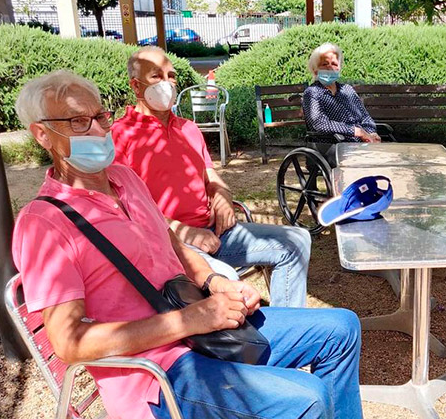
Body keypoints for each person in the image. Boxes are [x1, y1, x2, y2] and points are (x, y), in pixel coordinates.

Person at [12, 71, 408, 419]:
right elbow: (69, 344)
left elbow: (173, 245)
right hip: (153, 372)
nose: (100, 130)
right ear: (43, 134)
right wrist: (191, 321)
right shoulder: (43, 224)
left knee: (341, 327)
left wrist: (214, 283)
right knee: (308, 397)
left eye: (100, 115)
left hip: (200, 327)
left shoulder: (122, 178)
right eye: (79, 122)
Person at [113, 46, 312, 308]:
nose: (167, 83)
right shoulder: (120, 136)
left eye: (171, 76)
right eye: (155, 76)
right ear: (136, 87)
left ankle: (291, 329)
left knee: (297, 240)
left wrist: (221, 196)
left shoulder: (189, 128)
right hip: (168, 244)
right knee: (227, 280)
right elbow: (125, 209)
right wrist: (183, 231)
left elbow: (211, 175)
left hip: (216, 232)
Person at [302, 43, 381, 143]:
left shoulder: (347, 90)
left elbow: (365, 117)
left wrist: (371, 133)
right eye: (324, 64)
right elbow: (320, 124)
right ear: (315, 70)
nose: (330, 67)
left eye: (334, 64)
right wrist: (356, 131)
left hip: (360, 145)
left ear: (339, 68)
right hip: (334, 147)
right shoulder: (312, 93)